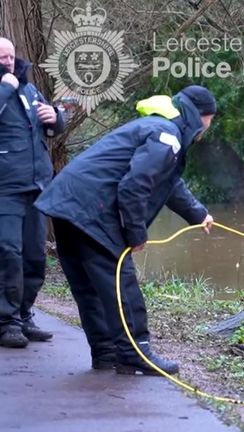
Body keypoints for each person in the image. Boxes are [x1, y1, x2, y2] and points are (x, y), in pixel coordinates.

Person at [34, 85, 217, 374]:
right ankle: (136, 353)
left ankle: (106, 353)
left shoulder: (154, 127)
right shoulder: (167, 136)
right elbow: (134, 186)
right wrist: (135, 234)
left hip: (66, 204)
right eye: (210, 121)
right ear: (201, 117)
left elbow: (168, 183)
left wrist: (198, 214)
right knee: (121, 280)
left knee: (90, 285)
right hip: (91, 209)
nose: (207, 128)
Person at [0, 37, 65, 348]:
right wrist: (6, 88)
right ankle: (6, 321)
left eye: (10, 56)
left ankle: (24, 315)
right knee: (8, 254)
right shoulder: (9, 88)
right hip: (5, 189)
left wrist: (56, 117)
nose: (7, 61)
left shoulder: (28, 88)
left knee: (34, 257)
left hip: (38, 187)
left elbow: (49, 123)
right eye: (1, 57)